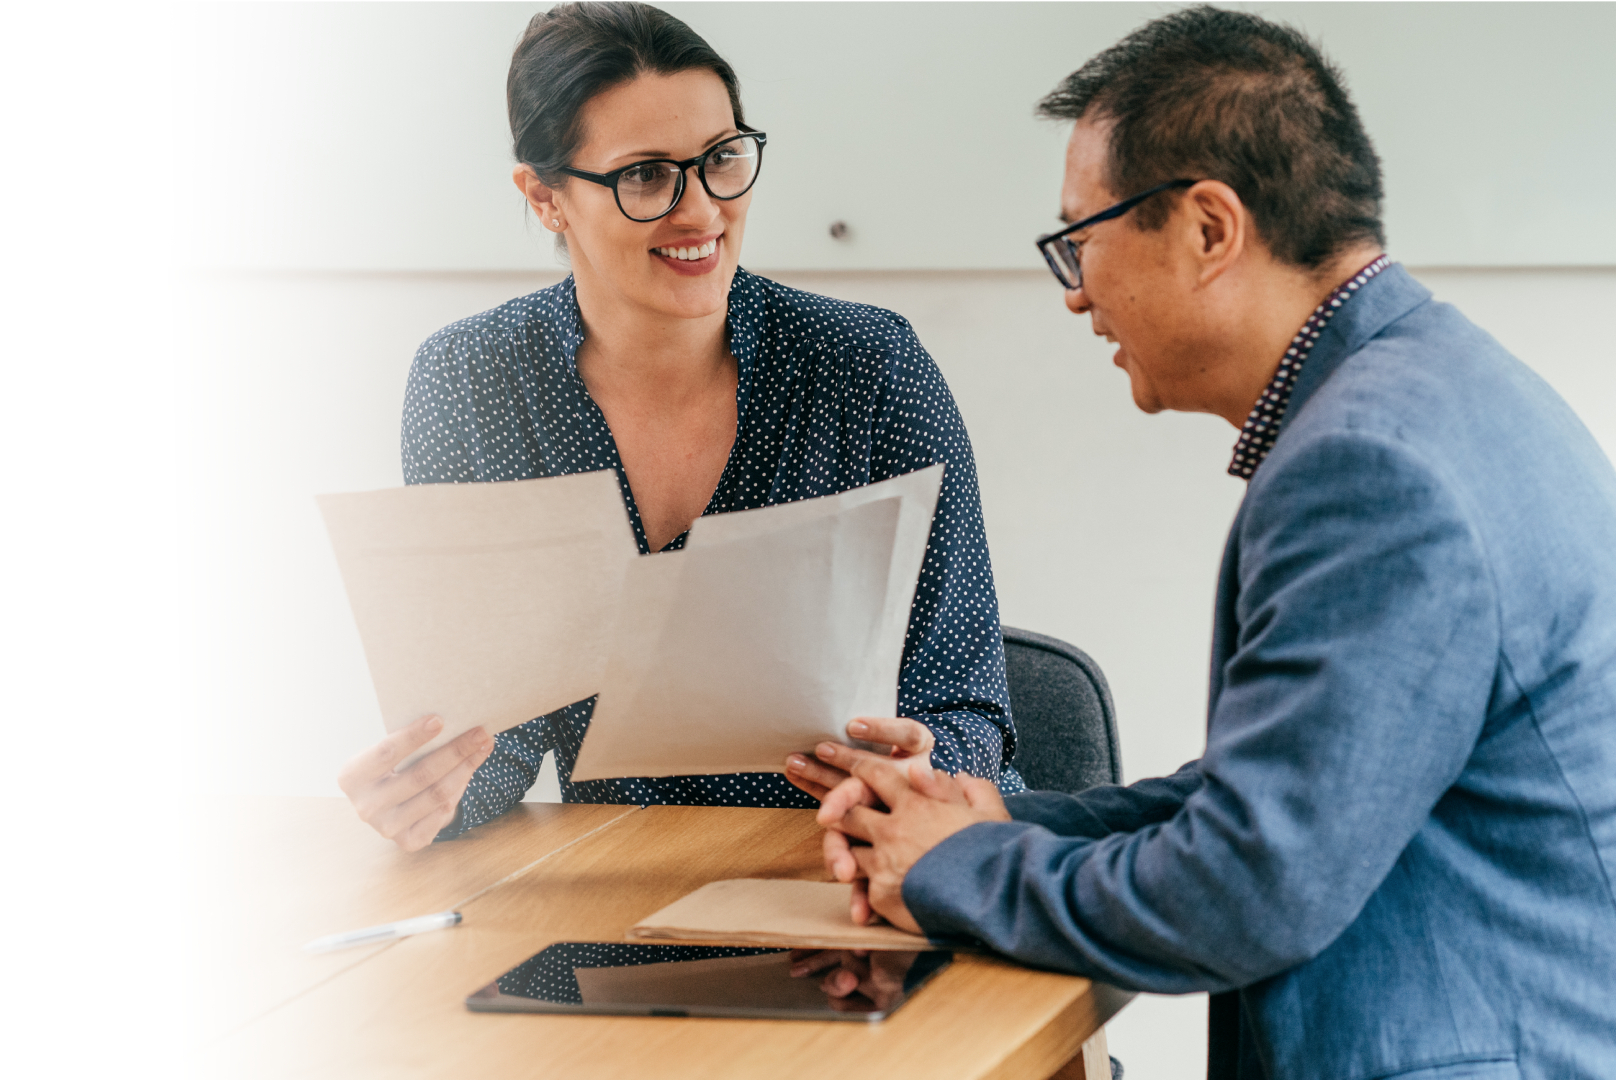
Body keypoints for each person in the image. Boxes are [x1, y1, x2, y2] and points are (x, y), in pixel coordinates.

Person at [810, 8, 1616, 1079]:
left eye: (1078, 241)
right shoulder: (1437, 390)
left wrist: (955, 868)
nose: (1076, 293)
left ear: (1206, 228)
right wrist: (999, 815)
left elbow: (1245, 888)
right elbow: (1271, 796)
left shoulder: (1372, 470)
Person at [336, 2, 1022, 854]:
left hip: (847, 877)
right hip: (608, 899)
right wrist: (426, 790)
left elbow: (966, 703)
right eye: (647, 176)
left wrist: (924, 758)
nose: (701, 211)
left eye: (722, 159)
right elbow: (497, 733)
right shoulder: (472, 384)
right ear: (545, 197)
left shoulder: (866, 367)